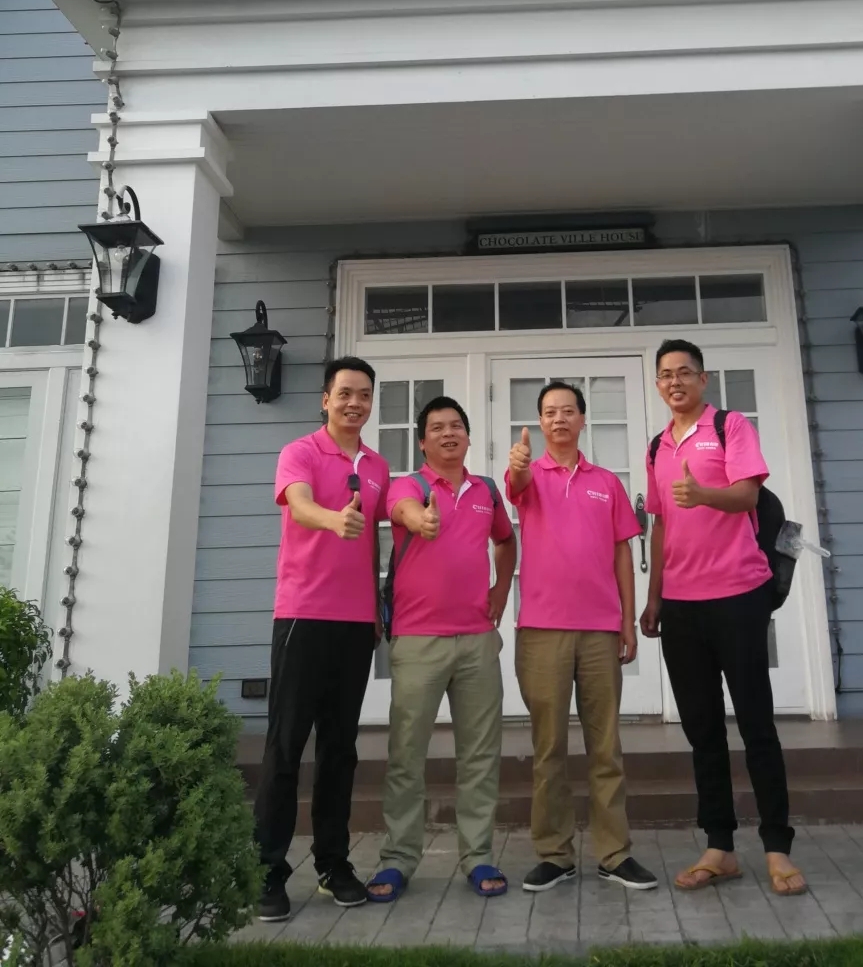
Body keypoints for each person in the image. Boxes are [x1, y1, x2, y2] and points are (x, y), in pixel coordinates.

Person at [640, 339, 808, 898]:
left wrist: (703, 493)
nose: (675, 382)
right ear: (658, 385)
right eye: (666, 375)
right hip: (682, 606)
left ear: (703, 379)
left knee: (757, 724)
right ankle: (720, 847)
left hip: (738, 595)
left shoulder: (730, 426)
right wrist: (655, 598)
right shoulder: (657, 446)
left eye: (684, 372)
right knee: (703, 730)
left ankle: (777, 847)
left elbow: (747, 496)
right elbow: (660, 524)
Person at [507, 382, 658, 893]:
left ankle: (614, 854)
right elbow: (515, 485)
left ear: (582, 419)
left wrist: (627, 620)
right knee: (548, 749)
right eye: (549, 412)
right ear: (540, 422)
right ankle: (554, 855)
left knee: (605, 747)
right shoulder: (529, 475)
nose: (559, 419)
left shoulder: (606, 483)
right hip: (542, 631)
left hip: (599, 630)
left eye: (568, 411)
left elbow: (622, 553)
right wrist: (519, 465)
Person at [254, 356, 390, 922]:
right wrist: (335, 519)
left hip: (355, 624)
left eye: (364, 395)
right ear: (325, 399)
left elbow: (376, 537)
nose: (355, 403)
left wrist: (379, 607)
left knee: (340, 748)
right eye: (345, 393)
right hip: (303, 617)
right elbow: (301, 504)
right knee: (286, 746)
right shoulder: (301, 452)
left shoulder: (377, 466)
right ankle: (267, 869)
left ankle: (333, 863)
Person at [368, 396, 516, 903]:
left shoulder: (486, 490)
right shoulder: (409, 486)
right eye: (437, 427)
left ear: (469, 437)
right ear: (422, 442)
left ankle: (478, 856)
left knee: (480, 755)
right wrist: (421, 521)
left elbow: (505, 541)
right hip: (419, 641)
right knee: (406, 755)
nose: (448, 433)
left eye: (456, 426)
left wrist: (502, 588)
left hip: (477, 640)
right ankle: (398, 859)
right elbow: (402, 511)